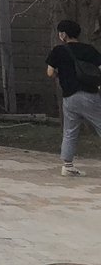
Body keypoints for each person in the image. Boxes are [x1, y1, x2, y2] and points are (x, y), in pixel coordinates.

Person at [45, 18, 101, 177]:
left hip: (69, 98)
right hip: (90, 95)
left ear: (63, 34)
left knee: (70, 131)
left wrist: (61, 73)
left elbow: (50, 73)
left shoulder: (58, 51)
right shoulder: (89, 50)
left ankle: (67, 165)